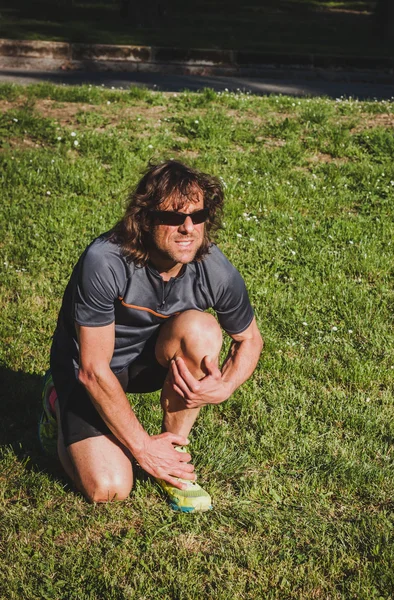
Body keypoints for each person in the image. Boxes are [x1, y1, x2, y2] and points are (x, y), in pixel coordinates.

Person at [39, 160, 263, 513]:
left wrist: (228, 385)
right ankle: (56, 400)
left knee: (202, 330)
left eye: (198, 216)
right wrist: (142, 447)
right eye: (173, 218)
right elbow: (94, 370)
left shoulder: (214, 268)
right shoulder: (105, 260)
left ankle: (173, 457)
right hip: (90, 372)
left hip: (149, 362)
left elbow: (250, 339)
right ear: (145, 219)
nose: (188, 228)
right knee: (109, 488)